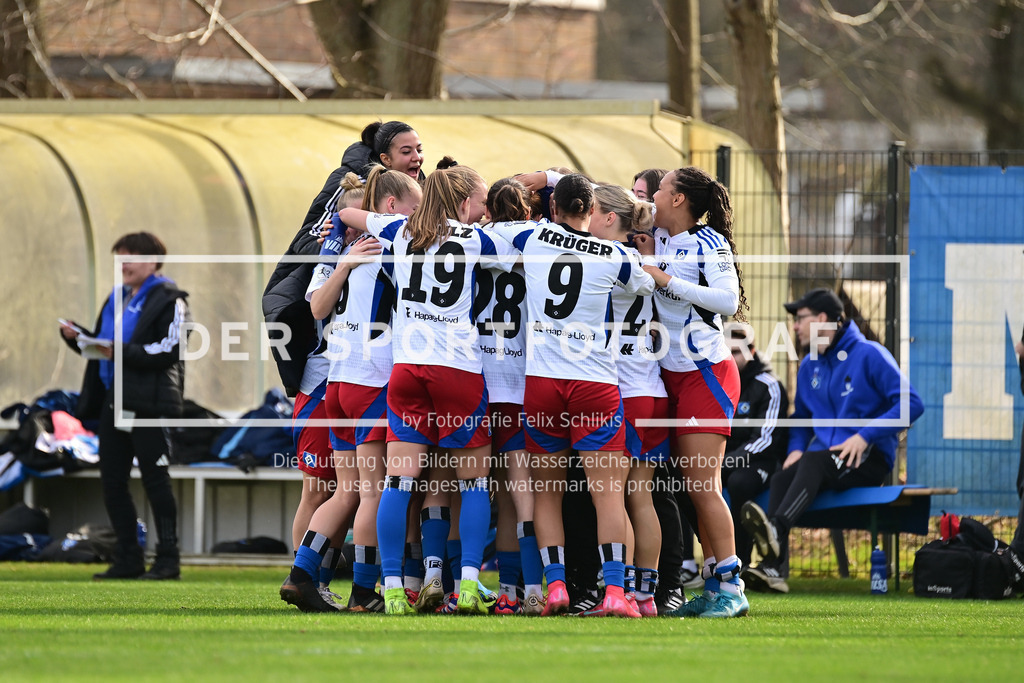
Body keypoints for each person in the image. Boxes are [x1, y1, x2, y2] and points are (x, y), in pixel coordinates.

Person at [339, 164, 518, 615]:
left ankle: (395, 588)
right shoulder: (477, 239)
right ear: (461, 203)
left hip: (407, 371)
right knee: (475, 483)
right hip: (457, 370)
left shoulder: (400, 230)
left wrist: (350, 217)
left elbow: (351, 214)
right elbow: (521, 246)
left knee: (398, 482)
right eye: (477, 202)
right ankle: (471, 585)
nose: (482, 211)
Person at [492, 173, 656, 618]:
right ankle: (617, 594)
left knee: (547, 493)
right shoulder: (618, 254)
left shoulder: (534, 237)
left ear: (553, 209)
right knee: (608, 495)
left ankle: (558, 587)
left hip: (542, 383)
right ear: (592, 211)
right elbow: (647, 283)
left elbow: (492, 238)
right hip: (595, 384)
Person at [280, 167, 423, 613]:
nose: (419, 219)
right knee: (372, 493)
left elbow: (317, 305)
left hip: (337, 380)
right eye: (415, 209)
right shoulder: (393, 245)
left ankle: (301, 575)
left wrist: (340, 260)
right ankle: (364, 592)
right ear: (389, 207)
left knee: (345, 491)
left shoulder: (336, 243)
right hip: (372, 380)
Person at [741, 287, 924, 591]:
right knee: (780, 479)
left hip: (867, 459)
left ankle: (776, 529)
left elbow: (912, 403)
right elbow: (801, 418)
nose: (795, 326)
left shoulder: (869, 354)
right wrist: (796, 449)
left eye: (800, 318)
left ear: (822, 319)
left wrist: (865, 436)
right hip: (826, 461)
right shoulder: (810, 365)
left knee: (815, 461)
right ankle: (773, 571)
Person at [634, 165, 749, 618]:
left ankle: (732, 588)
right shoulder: (663, 240)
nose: (652, 196)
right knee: (694, 486)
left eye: (660, 190)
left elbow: (726, 300)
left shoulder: (709, 243)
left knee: (703, 486)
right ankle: (715, 584)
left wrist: (663, 277)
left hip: (706, 373)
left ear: (678, 199)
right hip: (674, 376)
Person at [60, 232, 189, 580]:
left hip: (149, 405)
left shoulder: (170, 299)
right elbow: (105, 347)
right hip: (112, 402)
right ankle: (128, 557)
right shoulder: (115, 298)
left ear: (153, 261)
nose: (124, 265)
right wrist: (79, 338)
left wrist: (122, 352)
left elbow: (170, 348)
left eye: (130, 257)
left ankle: (167, 560)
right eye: (120, 258)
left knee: (155, 481)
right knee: (112, 482)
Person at [721, 325, 788, 585]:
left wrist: (725, 462)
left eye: (736, 352)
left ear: (752, 352)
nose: (730, 357)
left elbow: (765, 439)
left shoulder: (769, 386)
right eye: (725, 351)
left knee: (739, 483)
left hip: (759, 462)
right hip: (722, 460)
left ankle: (741, 562)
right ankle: (690, 564)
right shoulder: (715, 381)